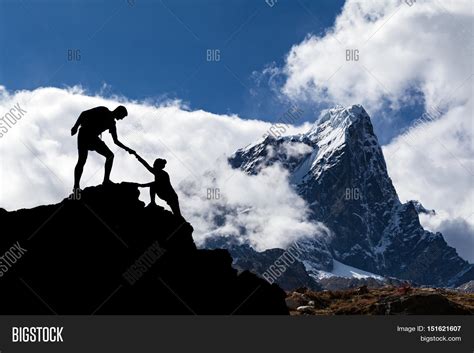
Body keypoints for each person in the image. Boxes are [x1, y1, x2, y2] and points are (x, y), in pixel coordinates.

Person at [71, 105, 135, 190]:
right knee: (82, 160)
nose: (121, 119)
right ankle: (76, 186)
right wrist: (75, 126)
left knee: (110, 156)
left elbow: (116, 141)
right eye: (122, 116)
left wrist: (128, 149)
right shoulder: (103, 110)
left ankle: (106, 180)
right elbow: (84, 114)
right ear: (118, 112)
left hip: (93, 138)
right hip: (84, 134)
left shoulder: (112, 124)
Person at [132, 153, 182, 218]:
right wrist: (136, 155)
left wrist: (141, 185)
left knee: (177, 215)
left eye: (154, 165)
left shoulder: (163, 174)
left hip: (171, 196)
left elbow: (155, 183)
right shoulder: (158, 172)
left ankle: (181, 222)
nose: (153, 166)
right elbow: (145, 164)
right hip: (164, 193)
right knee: (177, 214)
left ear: (158, 165)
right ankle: (153, 203)